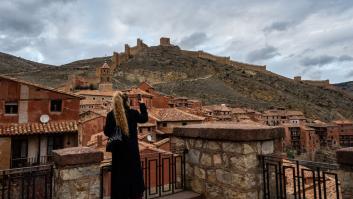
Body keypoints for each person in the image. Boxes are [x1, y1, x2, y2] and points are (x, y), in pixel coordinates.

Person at [104, 91, 148, 199]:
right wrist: (142, 104)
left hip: (118, 153)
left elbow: (107, 132)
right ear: (127, 101)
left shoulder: (110, 115)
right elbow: (144, 118)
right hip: (132, 152)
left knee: (120, 177)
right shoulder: (133, 113)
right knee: (133, 175)